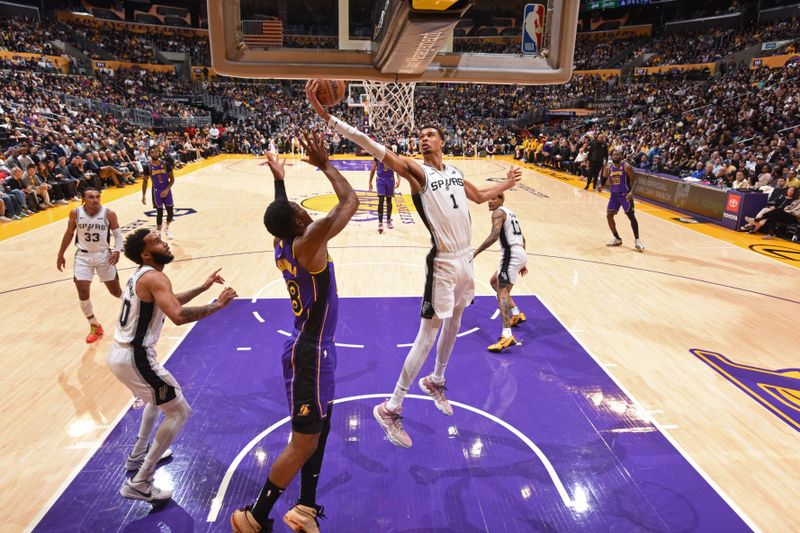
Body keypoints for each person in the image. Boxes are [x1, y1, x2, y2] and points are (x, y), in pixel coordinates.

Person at [305, 80, 521, 448]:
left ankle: (436, 380)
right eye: (420, 135)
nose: (423, 138)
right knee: (428, 334)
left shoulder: (453, 172)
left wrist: (507, 182)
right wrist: (328, 117)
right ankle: (392, 406)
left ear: (442, 141)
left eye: (430, 134)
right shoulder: (417, 173)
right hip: (443, 263)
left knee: (455, 321)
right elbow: (371, 145)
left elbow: (481, 195)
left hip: (466, 259)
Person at [231, 131, 358, 533]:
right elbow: (350, 202)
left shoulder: (281, 241)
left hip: (311, 346)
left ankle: (304, 507)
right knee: (304, 440)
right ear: (301, 220)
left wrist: (280, 180)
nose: (304, 210)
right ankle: (256, 516)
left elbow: (280, 214)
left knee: (316, 432)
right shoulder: (307, 241)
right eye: (300, 210)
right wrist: (324, 164)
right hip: (312, 351)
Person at [110, 228, 236, 502]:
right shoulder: (155, 277)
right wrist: (216, 305)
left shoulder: (142, 276)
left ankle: (137, 455)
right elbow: (177, 315)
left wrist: (203, 288)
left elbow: (170, 302)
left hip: (122, 355)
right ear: (145, 254)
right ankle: (140, 481)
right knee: (179, 411)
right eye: (156, 241)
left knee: (158, 399)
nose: (164, 243)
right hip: (137, 357)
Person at [56, 188, 124, 343]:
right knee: (82, 292)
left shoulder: (109, 213)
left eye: (97, 197)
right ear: (84, 199)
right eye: (91, 197)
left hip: (104, 256)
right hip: (83, 256)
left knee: (115, 291)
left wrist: (117, 250)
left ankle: (137, 308)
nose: (95, 200)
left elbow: (118, 235)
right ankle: (94, 325)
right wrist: (60, 254)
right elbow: (69, 233)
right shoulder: (75, 213)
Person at [472, 193, 528, 352]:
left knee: (502, 294)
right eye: (488, 199)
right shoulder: (510, 213)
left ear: (501, 200)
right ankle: (516, 314)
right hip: (518, 254)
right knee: (493, 281)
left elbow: (494, 235)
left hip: (510, 255)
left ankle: (506, 335)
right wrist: (522, 259)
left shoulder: (498, 213)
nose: (489, 202)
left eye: (493, 199)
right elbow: (523, 238)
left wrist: (476, 252)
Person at [598, 149, 645, 251]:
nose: (615, 156)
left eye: (617, 154)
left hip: (625, 196)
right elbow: (603, 179)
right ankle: (617, 238)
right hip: (614, 196)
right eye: (614, 154)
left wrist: (631, 192)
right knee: (609, 215)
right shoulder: (608, 168)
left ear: (621, 156)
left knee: (631, 216)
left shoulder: (626, 167)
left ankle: (637, 240)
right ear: (612, 156)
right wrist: (600, 185)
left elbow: (635, 179)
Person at [142, 146, 175, 238]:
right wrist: (143, 196)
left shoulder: (165, 164)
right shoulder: (147, 167)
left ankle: (167, 228)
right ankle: (159, 233)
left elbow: (172, 179)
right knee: (159, 213)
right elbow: (145, 182)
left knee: (170, 212)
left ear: (158, 153)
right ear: (149, 154)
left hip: (166, 189)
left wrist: (166, 189)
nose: (154, 154)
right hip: (156, 191)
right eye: (152, 153)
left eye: (156, 152)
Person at [369, 157, 400, 233]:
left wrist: (399, 179)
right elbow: (373, 170)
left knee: (389, 201)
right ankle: (380, 223)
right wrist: (370, 182)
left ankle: (388, 220)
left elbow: (398, 170)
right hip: (381, 180)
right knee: (381, 200)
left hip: (390, 180)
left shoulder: (393, 156)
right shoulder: (377, 156)